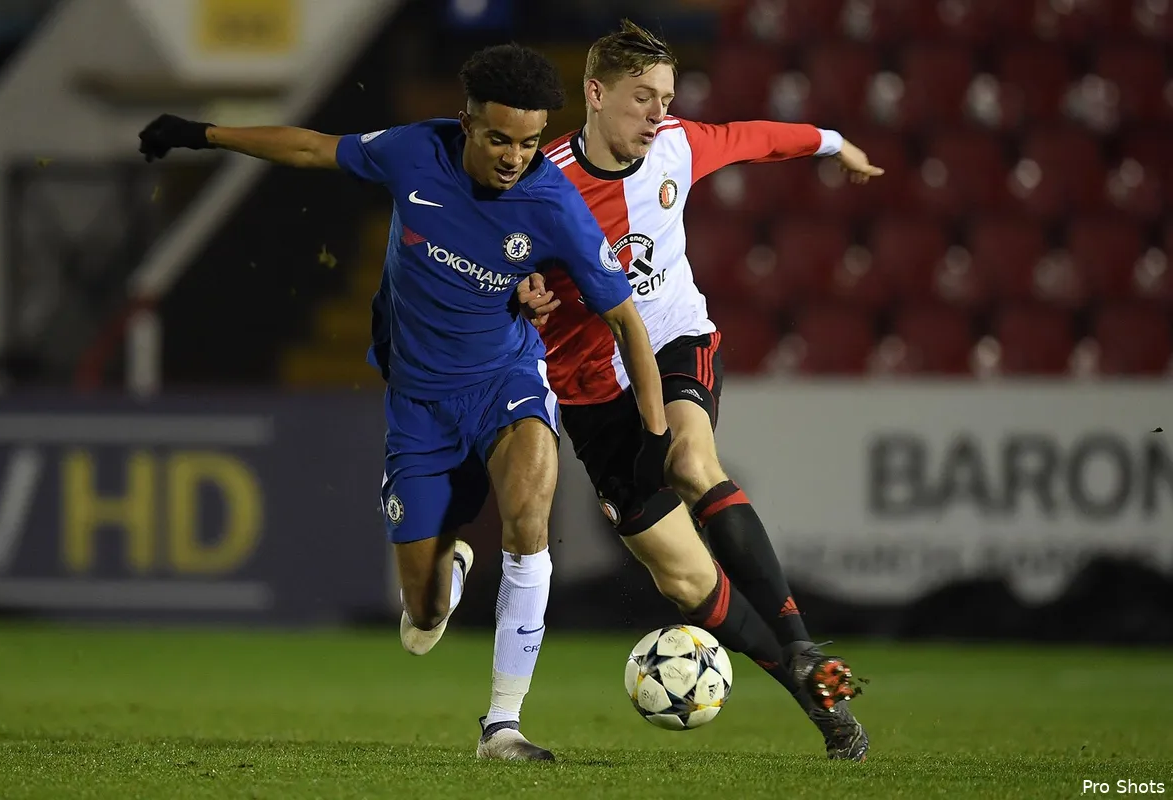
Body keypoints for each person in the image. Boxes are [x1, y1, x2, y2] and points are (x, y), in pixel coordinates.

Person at [138, 43, 672, 762]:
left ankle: (502, 727)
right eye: (498, 139)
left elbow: (626, 322)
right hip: (418, 402)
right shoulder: (415, 152)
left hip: (505, 379)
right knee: (421, 625)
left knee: (528, 521)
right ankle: (443, 575)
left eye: (530, 141)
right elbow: (309, 148)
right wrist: (202, 134)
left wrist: (655, 437)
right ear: (466, 124)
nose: (515, 156)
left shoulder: (555, 205)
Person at [516, 21, 883, 761]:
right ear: (594, 93)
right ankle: (809, 686)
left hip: (675, 341)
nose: (658, 114)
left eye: (667, 98)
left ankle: (800, 638)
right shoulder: (540, 183)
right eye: (642, 98)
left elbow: (759, 137)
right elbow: (498, 266)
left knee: (691, 460)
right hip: (593, 394)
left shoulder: (679, 145)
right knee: (687, 581)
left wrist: (832, 140)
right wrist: (521, 294)